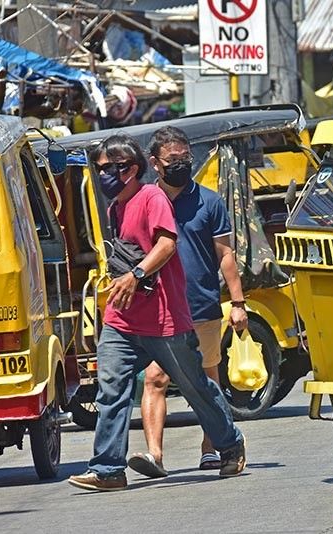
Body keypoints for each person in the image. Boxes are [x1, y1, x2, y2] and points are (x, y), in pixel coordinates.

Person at [68, 135, 245, 492]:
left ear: (131, 169)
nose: (102, 176)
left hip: (166, 319)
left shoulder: (153, 197)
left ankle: (229, 443)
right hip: (123, 319)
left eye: (107, 169)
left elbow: (167, 243)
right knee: (111, 389)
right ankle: (108, 469)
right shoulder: (116, 207)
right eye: (99, 169)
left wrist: (136, 275)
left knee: (196, 385)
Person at [126, 126, 249, 478]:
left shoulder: (209, 201)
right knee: (155, 378)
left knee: (206, 379)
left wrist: (237, 302)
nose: (180, 165)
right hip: (158, 309)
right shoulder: (144, 200)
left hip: (201, 305)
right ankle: (155, 456)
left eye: (185, 159)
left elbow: (225, 255)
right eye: (172, 160)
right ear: (154, 163)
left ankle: (213, 447)